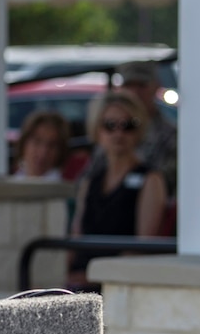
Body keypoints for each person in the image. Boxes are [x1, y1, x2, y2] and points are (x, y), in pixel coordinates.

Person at [67, 91, 169, 287]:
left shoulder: (150, 180)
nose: (118, 134)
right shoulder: (90, 182)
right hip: (79, 281)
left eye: (128, 126)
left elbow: (141, 246)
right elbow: (75, 240)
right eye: (110, 125)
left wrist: (94, 277)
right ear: (97, 129)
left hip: (118, 283)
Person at [112, 62, 176, 191]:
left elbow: (166, 182)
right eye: (129, 85)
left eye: (142, 85)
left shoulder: (170, 136)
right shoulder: (110, 130)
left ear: (156, 87)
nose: (135, 92)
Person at [13, 110, 69, 180]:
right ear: (24, 143)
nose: (43, 151)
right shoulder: (11, 183)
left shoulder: (66, 188)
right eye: (37, 141)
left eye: (51, 145)